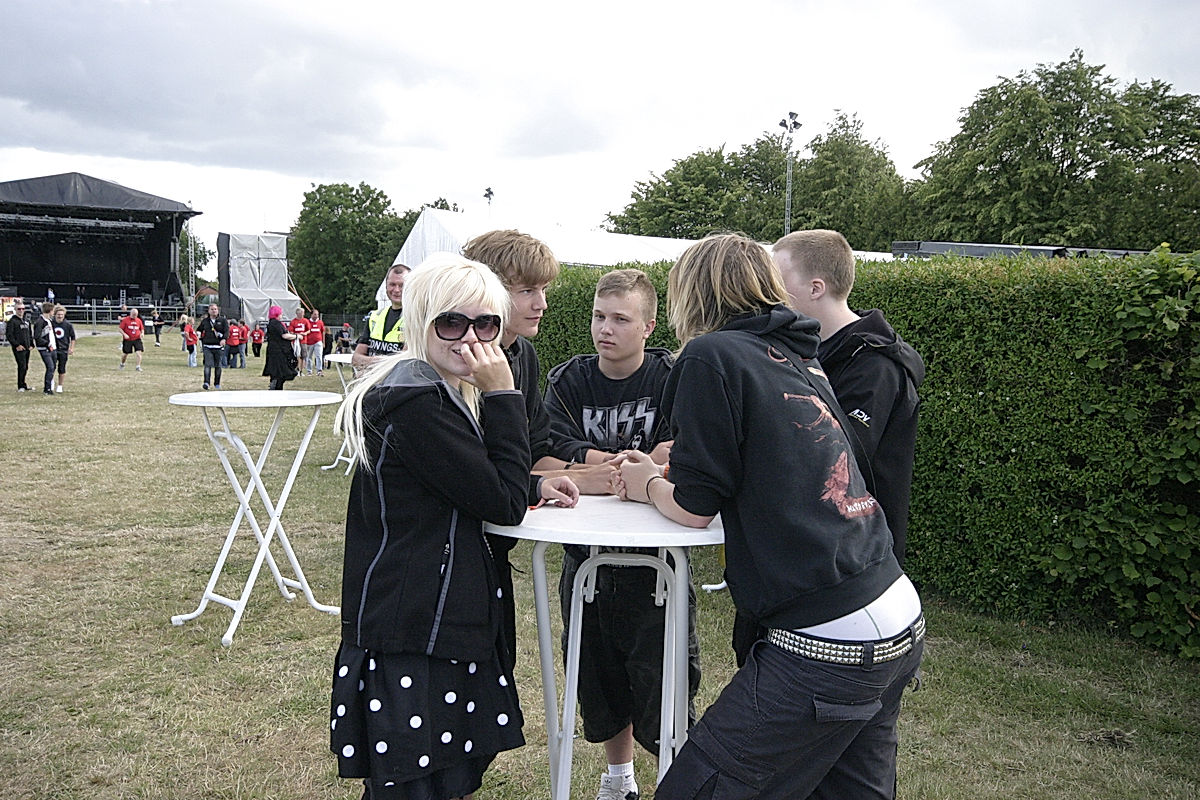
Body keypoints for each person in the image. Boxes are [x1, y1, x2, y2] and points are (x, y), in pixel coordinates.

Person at [616, 234, 923, 800]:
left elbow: (692, 505)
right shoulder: (798, 352)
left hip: (827, 638)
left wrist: (648, 483)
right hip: (894, 608)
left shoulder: (711, 355)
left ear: (692, 292)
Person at [329, 253, 579, 800]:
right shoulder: (416, 401)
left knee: (449, 775)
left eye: (485, 323)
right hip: (418, 626)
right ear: (421, 322)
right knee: (418, 784)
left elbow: (468, 482)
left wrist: (536, 484)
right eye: (452, 322)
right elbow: (501, 501)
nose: (470, 337)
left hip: (432, 616)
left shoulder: (432, 390)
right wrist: (503, 395)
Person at [543, 268, 689, 800]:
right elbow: (544, 453)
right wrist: (628, 467)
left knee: (664, 681)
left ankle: (671, 782)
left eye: (621, 319)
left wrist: (628, 471)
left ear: (649, 326)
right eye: (599, 317)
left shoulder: (673, 377)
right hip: (584, 556)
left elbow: (685, 455)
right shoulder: (567, 380)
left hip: (660, 560)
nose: (606, 328)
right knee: (596, 677)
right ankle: (618, 780)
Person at [773, 230, 925, 566]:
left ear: (815, 288)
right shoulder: (809, 353)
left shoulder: (876, 367)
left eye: (777, 283)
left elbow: (834, 457)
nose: (769, 296)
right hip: (812, 548)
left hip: (852, 557)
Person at [352, 263, 409, 369]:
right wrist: (378, 361)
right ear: (386, 286)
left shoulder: (416, 319)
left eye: (402, 285)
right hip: (373, 384)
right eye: (392, 284)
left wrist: (369, 362)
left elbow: (403, 362)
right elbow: (356, 358)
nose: (397, 290)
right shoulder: (375, 316)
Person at [262, 305, 298, 389]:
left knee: (277, 372)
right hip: (278, 352)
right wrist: (296, 336)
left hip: (274, 350)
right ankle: (274, 386)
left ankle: (275, 385)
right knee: (279, 371)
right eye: (280, 314)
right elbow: (284, 335)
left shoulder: (272, 323)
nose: (281, 315)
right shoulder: (275, 323)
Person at [197, 303, 229, 389]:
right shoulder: (205, 321)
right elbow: (199, 330)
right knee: (208, 365)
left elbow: (227, 331)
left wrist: (224, 339)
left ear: (218, 310)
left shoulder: (223, 320)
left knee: (218, 365)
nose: (214, 311)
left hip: (218, 347)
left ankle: (217, 383)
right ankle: (206, 383)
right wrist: (199, 335)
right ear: (209, 311)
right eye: (212, 309)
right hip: (207, 346)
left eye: (215, 309)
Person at [6, 298, 33, 392]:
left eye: (22, 309)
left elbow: (29, 333)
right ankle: (20, 385)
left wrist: (31, 344)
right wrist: (16, 345)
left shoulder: (26, 321)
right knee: (22, 366)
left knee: (26, 366)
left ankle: (24, 384)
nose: (21, 311)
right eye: (19, 309)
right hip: (19, 348)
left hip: (27, 347)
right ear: (15, 310)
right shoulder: (12, 321)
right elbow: (9, 335)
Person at [33, 301, 58, 395]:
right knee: (50, 367)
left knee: (53, 367)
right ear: (50, 310)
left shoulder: (50, 321)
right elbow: (37, 337)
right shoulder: (40, 322)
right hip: (45, 349)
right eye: (53, 311)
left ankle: (50, 385)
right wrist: (47, 344)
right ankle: (47, 389)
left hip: (53, 348)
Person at [50, 305, 76, 392]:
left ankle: (60, 385)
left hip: (63, 349)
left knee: (62, 368)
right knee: (51, 367)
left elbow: (73, 337)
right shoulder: (51, 323)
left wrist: (71, 348)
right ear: (55, 314)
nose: (60, 316)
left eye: (62, 314)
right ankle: (51, 382)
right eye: (58, 314)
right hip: (53, 348)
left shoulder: (68, 325)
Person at [118, 307, 145, 372]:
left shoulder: (139, 320)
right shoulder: (125, 320)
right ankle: (122, 364)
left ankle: (138, 367)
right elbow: (120, 329)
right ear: (130, 313)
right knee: (125, 354)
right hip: (128, 340)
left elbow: (142, 329)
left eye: (136, 315)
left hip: (137, 339)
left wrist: (142, 333)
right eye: (133, 315)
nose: (134, 316)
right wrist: (124, 334)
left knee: (139, 353)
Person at [288, 306, 310, 374]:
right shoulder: (293, 321)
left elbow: (308, 330)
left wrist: (304, 333)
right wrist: (296, 335)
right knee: (297, 355)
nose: (303, 314)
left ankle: (301, 369)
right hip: (296, 341)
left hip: (303, 341)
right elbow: (291, 331)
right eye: (302, 313)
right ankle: (297, 368)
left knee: (303, 355)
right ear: (298, 313)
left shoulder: (305, 321)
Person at [305, 308, 326, 376]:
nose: (316, 316)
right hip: (309, 342)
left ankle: (319, 370)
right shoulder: (307, 322)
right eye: (315, 314)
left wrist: (323, 342)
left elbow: (323, 332)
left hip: (318, 341)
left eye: (317, 314)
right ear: (311, 315)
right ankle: (309, 371)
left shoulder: (320, 322)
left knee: (319, 356)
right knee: (309, 357)